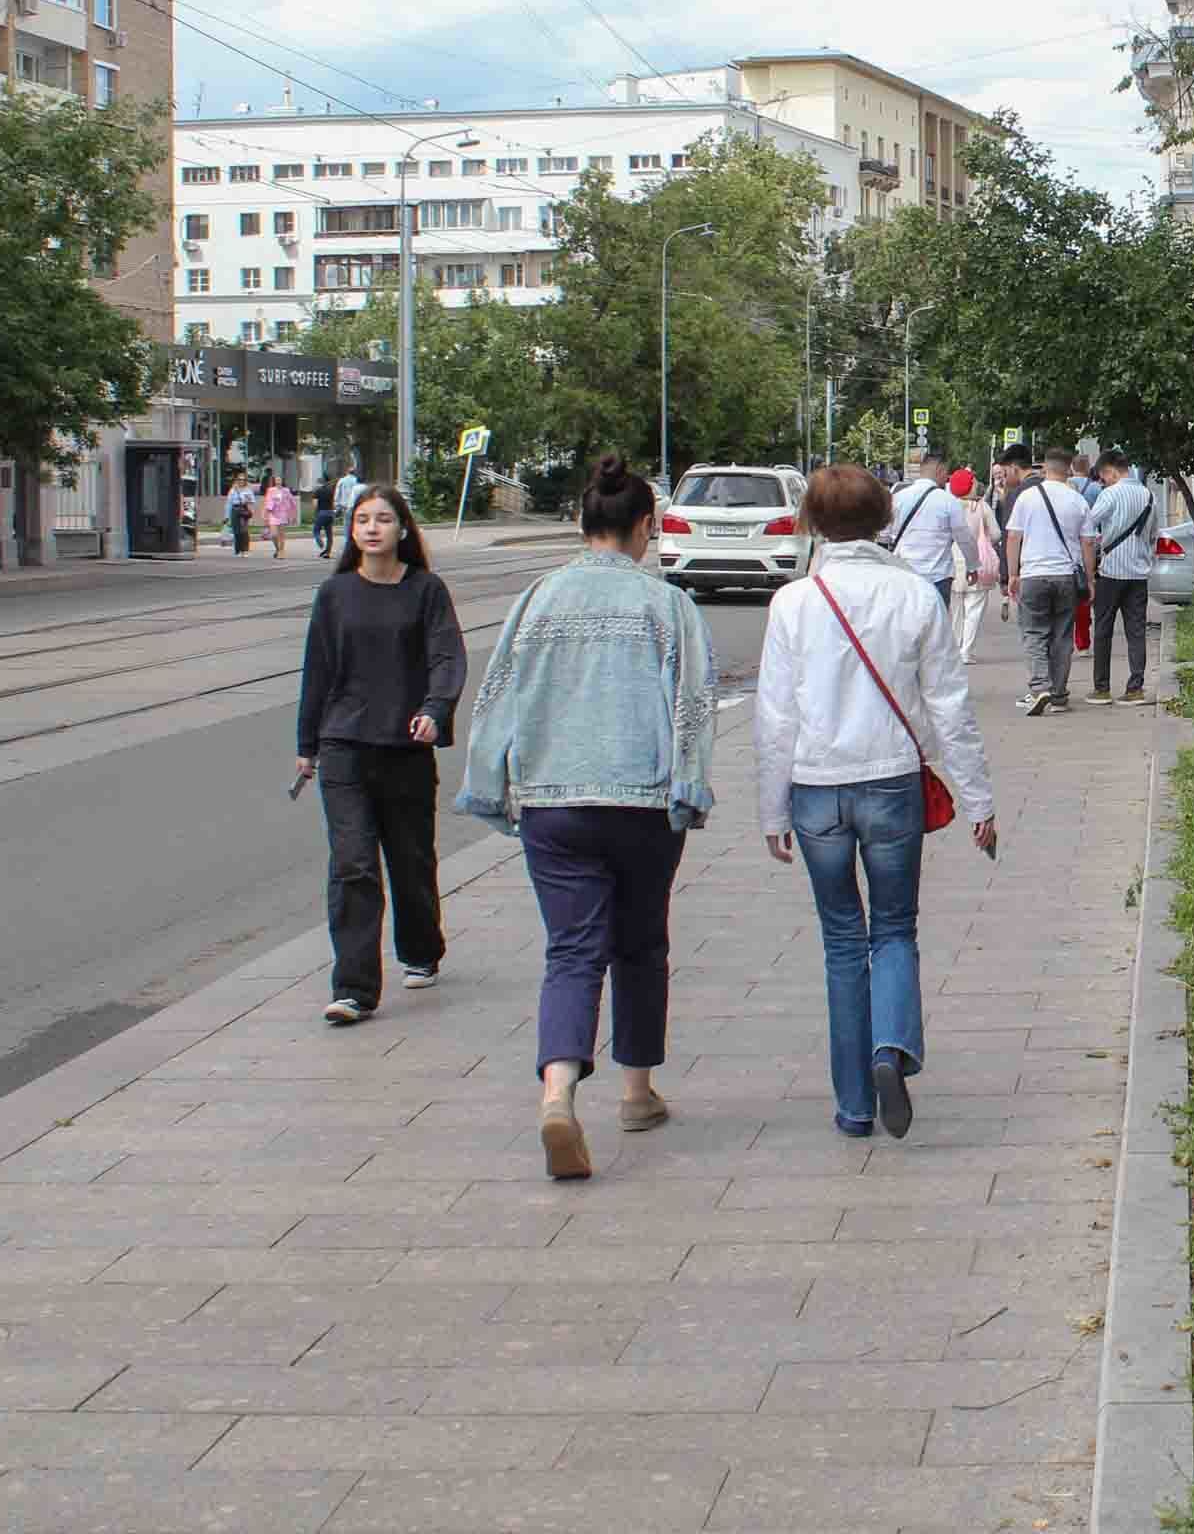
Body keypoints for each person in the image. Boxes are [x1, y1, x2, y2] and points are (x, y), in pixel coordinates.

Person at [455, 453, 720, 1180]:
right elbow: (693, 705)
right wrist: (689, 787)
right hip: (640, 801)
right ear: (645, 527)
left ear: (581, 524)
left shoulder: (537, 598)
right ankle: (636, 1092)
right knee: (641, 944)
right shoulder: (668, 606)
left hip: (554, 802)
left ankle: (557, 1092)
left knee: (571, 950)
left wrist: (490, 785)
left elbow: (498, 693)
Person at [757, 465, 997, 1140]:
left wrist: (771, 809)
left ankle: (854, 1105)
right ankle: (890, 1048)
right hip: (892, 782)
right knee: (894, 929)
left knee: (842, 942)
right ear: (885, 519)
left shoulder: (794, 603)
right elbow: (950, 706)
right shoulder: (915, 595)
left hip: (815, 789)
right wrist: (978, 799)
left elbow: (774, 716)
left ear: (811, 523)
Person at [296, 485, 466, 1027]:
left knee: (411, 861)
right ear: (352, 531)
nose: (372, 528)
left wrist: (435, 709)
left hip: (405, 747)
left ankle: (421, 950)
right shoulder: (335, 594)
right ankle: (353, 989)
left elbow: (445, 656)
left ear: (402, 530)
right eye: (363, 519)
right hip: (343, 745)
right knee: (352, 865)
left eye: (384, 519)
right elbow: (316, 672)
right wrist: (306, 746)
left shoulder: (426, 591)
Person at [1004, 445, 1091, 716]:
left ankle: (1039, 687)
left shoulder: (1027, 498)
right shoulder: (1078, 501)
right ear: (1068, 469)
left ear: (1044, 467)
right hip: (1066, 575)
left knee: (1034, 632)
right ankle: (1058, 695)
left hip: (1033, 575)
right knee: (1062, 636)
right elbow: (1087, 543)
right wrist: (1090, 579)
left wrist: (1012, 574)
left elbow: (1013, 538)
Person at [1085, 450, 1158, 706]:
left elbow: (1088, 524)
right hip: (1138, 574)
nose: (1103, 481)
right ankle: (1135, 688)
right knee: (1136, 631)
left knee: (1103, 629)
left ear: (1111, 471)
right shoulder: (1149, 496)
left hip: (1111, 571)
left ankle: (1102, 688)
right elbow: (1153, 535)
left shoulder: (1111, 494)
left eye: (1104, 476)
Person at [881, 449, 970, 607]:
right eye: (946, 473)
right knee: (936, 628)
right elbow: (964, 539)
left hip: (905, 574)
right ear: (939, 471)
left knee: (906, 625)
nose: (947, 478)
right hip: (938, 578)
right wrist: (973, 566)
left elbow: (884, 534)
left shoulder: (897, 498)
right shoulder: (949, 502)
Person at [949, 466, 1000, 664]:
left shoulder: (949, 505)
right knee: (974, 609)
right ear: (971, 486)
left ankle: (954, 649)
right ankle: (966, 651)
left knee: (955, 610)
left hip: (952, 563)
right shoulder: (982, 507)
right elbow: (995, 534)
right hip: (977, 563)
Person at [262, 471, 299, 561]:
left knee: (281, 535)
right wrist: (264, 514)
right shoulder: (271, 490)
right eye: (276, 480)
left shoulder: (286, 490)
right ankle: (278, 549)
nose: (278, 481)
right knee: (274, 535)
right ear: (274, 481)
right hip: (273, 514)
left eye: (280, 480)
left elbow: (293, 503)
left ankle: (281, 552)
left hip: (283, 514)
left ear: (282, 481)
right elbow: (267, 502)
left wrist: (294, 515)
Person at [224, 470, 259, 557]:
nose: (241, 481)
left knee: (244, 531)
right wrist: (227, 516)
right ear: (237, 480)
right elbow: (228, 503)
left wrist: (249, 503)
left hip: (244, 510)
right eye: (239, 479)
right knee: (236, 531)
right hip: (235, 510)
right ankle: (237, 550)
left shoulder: (248, 490)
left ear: (245, 481)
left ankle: (245, 550)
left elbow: (252, 501)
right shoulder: (233, 490)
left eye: (243, 480)